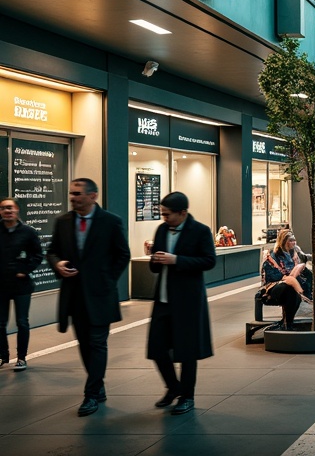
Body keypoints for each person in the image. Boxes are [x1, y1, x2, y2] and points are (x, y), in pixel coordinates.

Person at [46, 177, 131, 416]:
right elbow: (52, 251)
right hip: (74, 296)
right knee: (84, 344)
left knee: (97, 343)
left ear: (93, 196)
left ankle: (91, 394)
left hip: (101, 295)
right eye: (71, 193)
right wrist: (58, 263)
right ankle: (98, 385)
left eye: (77, 194)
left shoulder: (111, 222)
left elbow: (122, 254)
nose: (72, 197)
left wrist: (107, 280)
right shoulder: (62, 222)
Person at [145, 191, 216, 416]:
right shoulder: (162, 229)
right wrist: (153, 257)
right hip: (163, 299)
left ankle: (187, 396)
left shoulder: (201, 231)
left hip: (188, 301)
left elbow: (209, 260)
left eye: (167, 214)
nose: (164, 218)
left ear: (183, 213)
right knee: (156, 348)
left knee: (187, 351)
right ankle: (173, 388)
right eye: (162, 214)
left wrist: (177, 260)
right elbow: (156, 266)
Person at [0, 197, 43, 370]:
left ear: (17, 209)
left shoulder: (28, 232)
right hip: (1, 285)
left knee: (22, 322)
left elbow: (38, 255)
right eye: (3, 208)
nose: (7, 211)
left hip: (21, 285)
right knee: (0, 323)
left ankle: (22, 358)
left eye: (10, 207)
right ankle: (3, 356)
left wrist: (24, 270)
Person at [261, 228, 313, 331]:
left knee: (293, 291)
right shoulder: (273, 255)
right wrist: (286, 277)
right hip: (275, 286)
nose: (293, 242)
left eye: (294, 240)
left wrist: (299, 271)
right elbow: (271, 276)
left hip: (292, 285)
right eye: (290, 240)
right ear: (284, 242)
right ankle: (288, 323)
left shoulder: (294, 254)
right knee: (289, 288)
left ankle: (287, 323)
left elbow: (303, 272)